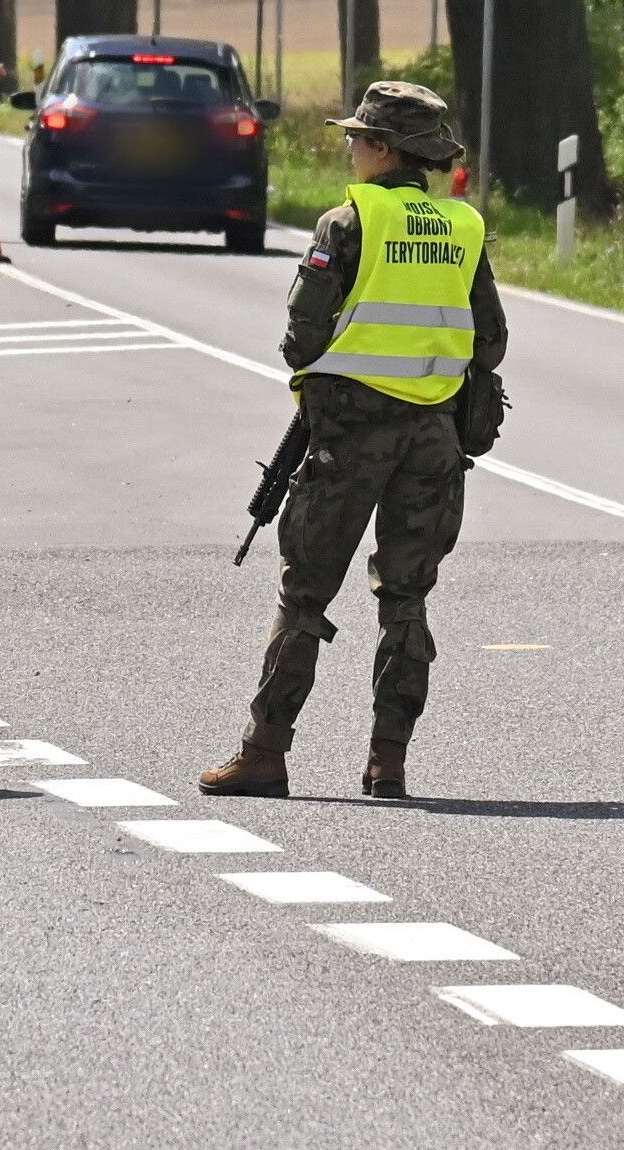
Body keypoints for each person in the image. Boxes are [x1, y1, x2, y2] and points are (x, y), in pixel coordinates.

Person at [198, 80, 508, 802]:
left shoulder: (348, 222)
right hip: (433, 436)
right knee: (406, 597)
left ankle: (264, 754)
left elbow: (299, 338)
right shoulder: (463, 227)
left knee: (304, 594)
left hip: (349, 434)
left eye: (357, 138)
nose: (349, 148)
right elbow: (489, 340)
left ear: (385, 149)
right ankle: (386, 762)